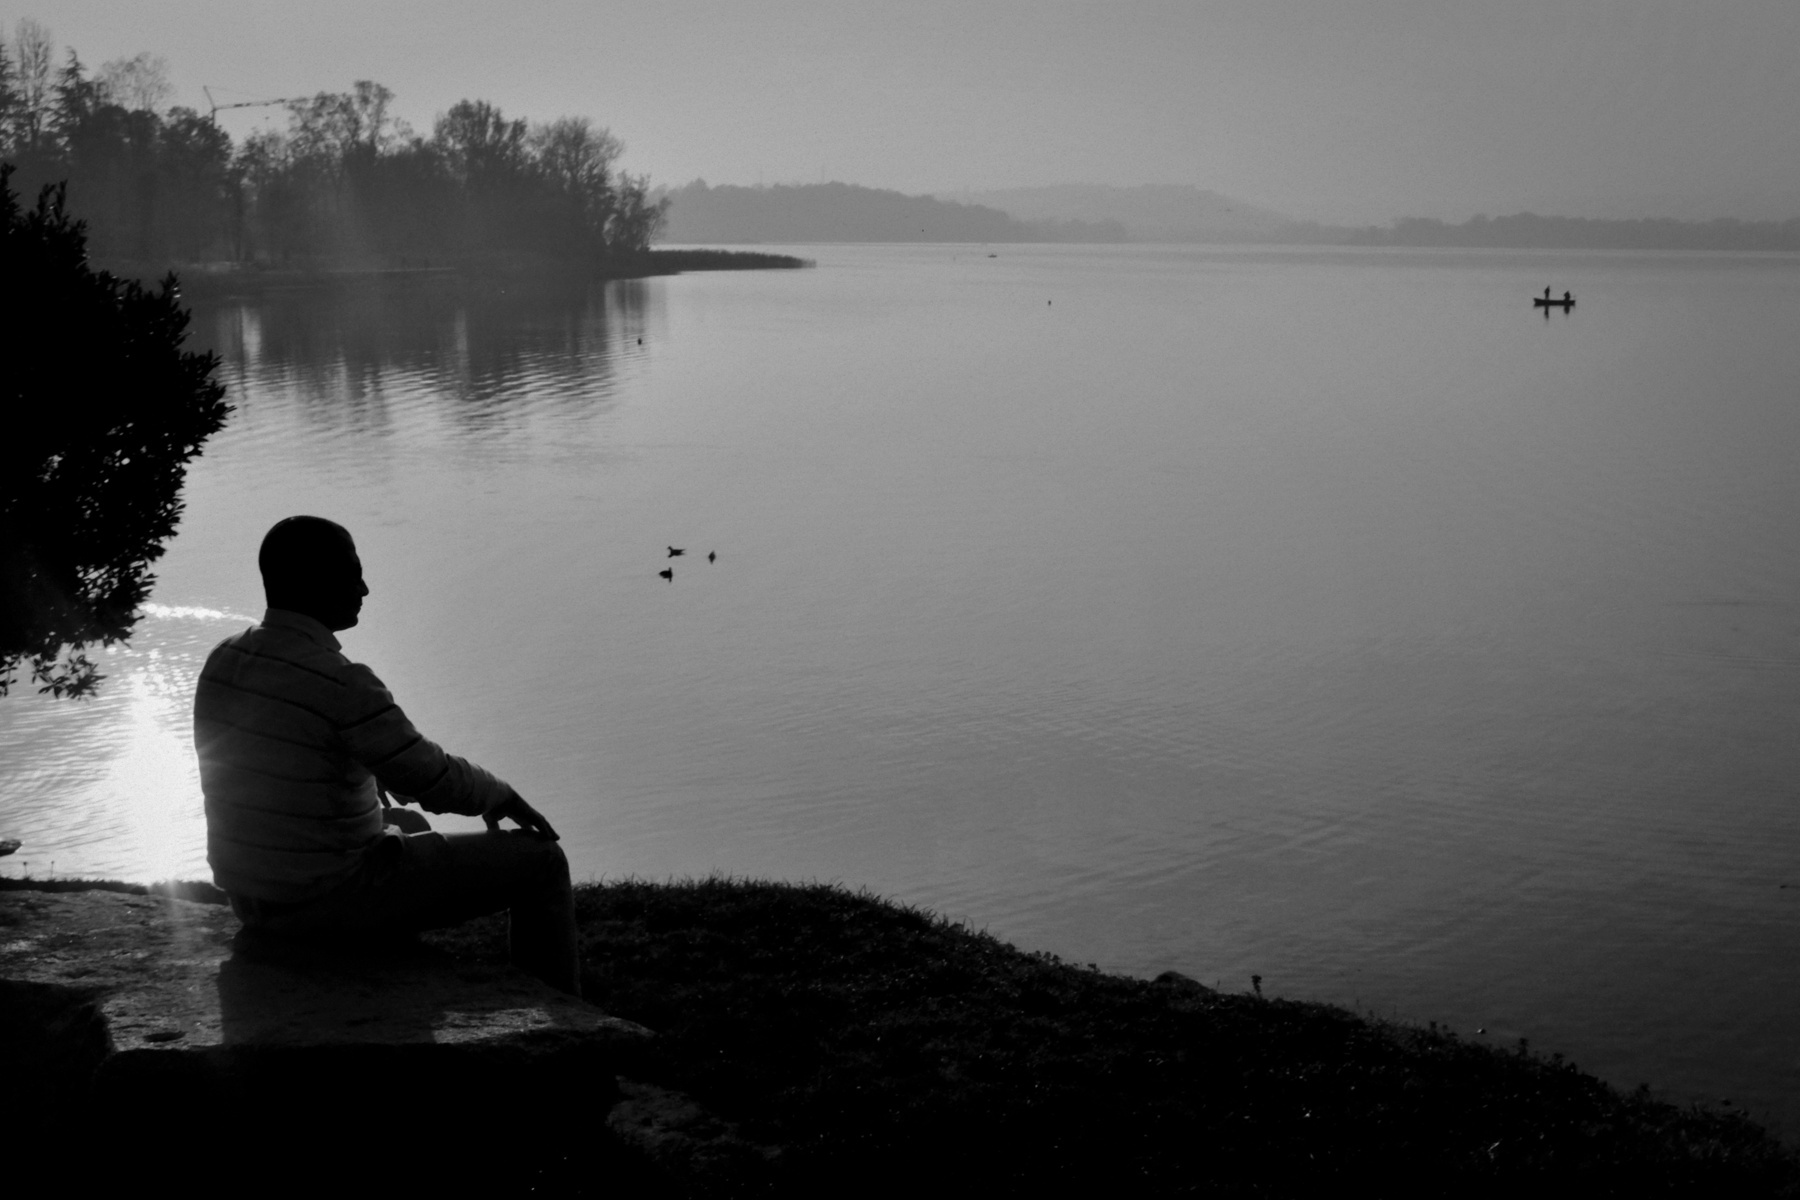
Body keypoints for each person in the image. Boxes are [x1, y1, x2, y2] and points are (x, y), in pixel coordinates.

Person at [193, 515, 581, 994]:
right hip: (324, 899)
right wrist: (500, 794)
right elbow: (431, 778)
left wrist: (364, 770)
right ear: (316, 581)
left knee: (407, 826)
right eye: (352, 573)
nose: (365, 588)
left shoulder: (224, 660)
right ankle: (567, 1028)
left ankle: (394, 981)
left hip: (255, 898)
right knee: (541, 860)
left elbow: (285, 757)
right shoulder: (340, 680)